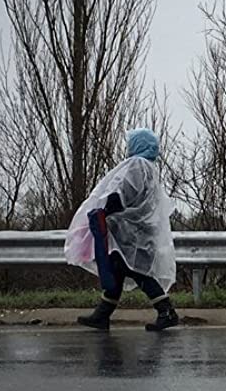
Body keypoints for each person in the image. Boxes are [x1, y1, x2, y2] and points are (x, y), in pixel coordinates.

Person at [65, 128, 180, 332]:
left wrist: (106, 209)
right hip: (137, 231)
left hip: (130, 234)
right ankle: (102, 315)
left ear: (137, 144)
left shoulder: (137, 165)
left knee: (135, 270)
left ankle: (167, 311)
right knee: (118, 269)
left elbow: (123, 191)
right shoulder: (150, 168)